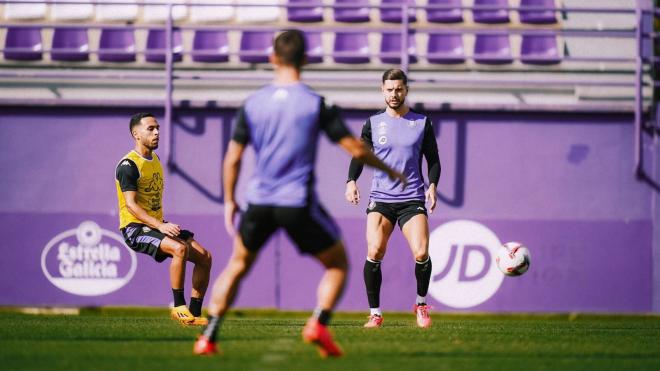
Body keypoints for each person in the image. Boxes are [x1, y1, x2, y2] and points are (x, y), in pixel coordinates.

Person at [193, 30, 406, 357]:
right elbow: (355, 149)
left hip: (259, 201)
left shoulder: (252, 104)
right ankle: (317, 324)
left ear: (272, 58)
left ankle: (208, 337)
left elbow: (233, 158)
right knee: (338, 264)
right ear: (306, 59)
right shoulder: (316, 103)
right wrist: (391, 171)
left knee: (236, 264)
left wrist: (229, 200)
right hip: (296, 203)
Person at [345, 69, 441, 329]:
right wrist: (351, 181)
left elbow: (433, 159)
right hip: (381, 199)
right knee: (374, 251)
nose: (394, 94)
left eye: (398, 89)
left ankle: (421, 305)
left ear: (406, 90)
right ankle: (375, 314)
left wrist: (432, 186)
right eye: (389, 89)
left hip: (412, 198)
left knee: (421, 252)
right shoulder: (373, 123)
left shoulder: (422, 122)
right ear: (382, 90)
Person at [115, 112, 213, 326]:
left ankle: (193, 314)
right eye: (150, 128)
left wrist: (161, 224)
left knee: (205, 257)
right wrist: (160, 225)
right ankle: (178, 307)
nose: (157, 132)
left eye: (157, 127)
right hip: (135, 228)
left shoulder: (155, 159)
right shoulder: (128, 165)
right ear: (136, 134)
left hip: (157, 225)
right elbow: (131, 205)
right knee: (179, 249)